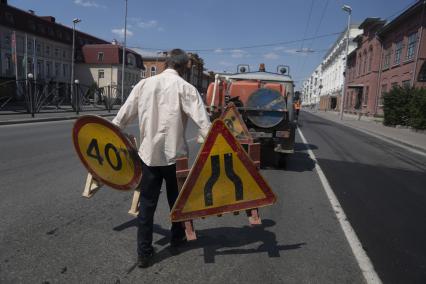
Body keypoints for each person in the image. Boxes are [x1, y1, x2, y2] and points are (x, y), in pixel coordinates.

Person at [112, 49, 211, 268]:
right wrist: (208, 141)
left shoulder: (144, 85)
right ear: (184, 67)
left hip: (149, 156)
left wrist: (108, 137)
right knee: (177, 201)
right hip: (176, 157)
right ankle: (177, 239)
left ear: (167, 63)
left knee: (147, 205)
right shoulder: (186, 88)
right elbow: (204, 124)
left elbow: (122, 116)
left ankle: (144, 253)